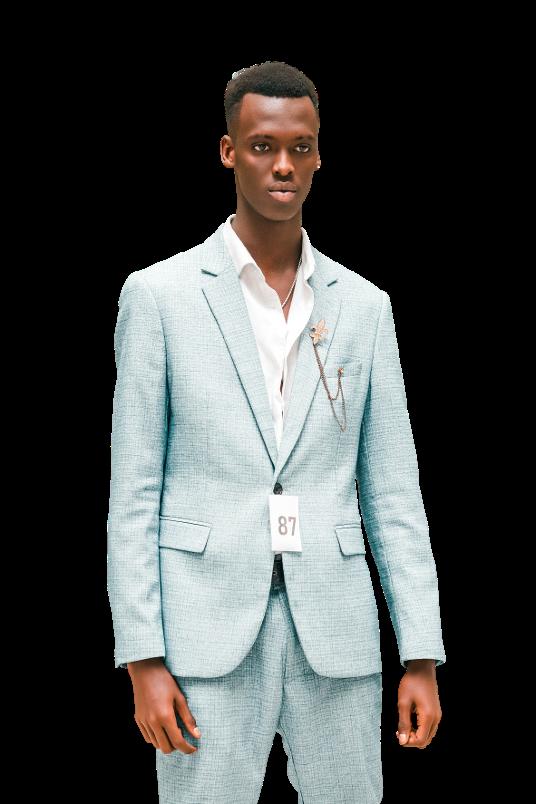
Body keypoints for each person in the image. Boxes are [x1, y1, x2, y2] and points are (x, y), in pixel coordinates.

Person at [107, 60, 446, 804]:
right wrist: (143, 659)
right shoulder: (158, 297)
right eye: (262, 146)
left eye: (300, 147)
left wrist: (420, 653)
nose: (282, 165)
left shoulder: (365, 307)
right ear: (229, 152)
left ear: (320, 155)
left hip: (338, 630)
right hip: (202, 633)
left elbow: (394, 494)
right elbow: (133, 495)